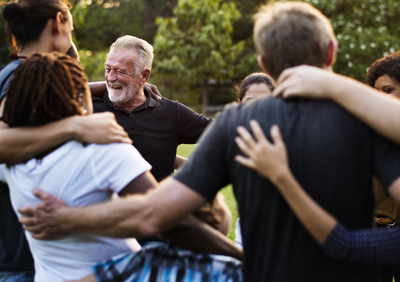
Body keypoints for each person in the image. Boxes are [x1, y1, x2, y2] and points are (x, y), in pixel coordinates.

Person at [20, 2, 400, 281]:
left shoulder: (237, 123)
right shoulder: (369, 122)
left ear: (265, 65)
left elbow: (153, 212)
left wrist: (67, 217)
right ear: (331, 51)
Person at [0, 1, 130, 281]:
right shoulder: (19, 79)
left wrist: (99, 87)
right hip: (28, 257)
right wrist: (74, 126)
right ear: (58, 22)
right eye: (71, 27)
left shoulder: (17, 74)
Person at [93, 35, 212, 182]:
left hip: (158, 204)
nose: (110, 77)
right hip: (103, 205)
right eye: (108, 69)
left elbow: (223, 130)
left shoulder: (171, 113)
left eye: (120, 71)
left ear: (144, 76)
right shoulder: (89, 107)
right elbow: (57, 93)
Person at [233, 72, 276, 247]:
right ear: (240, 104)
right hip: (247, 232)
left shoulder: (288, 136)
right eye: (251, 102)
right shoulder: (234, 138)